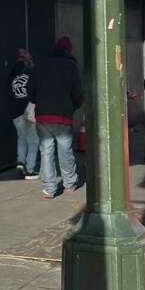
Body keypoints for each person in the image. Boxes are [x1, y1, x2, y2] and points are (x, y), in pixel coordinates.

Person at [29, 36, 83, 199]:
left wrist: (38, 101)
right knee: (65, 151)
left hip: (43, 115)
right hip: (63, 115)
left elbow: (31, 91)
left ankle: (49, 189)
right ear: (69, 50)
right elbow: (77, 93)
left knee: (46, 151)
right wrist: (73, 106)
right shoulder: (71, 66)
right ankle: (69, 183)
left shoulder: (40, 65)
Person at [6, 48, 39, 179]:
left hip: (15, 113)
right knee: (33, 141)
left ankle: (20, 162)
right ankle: (30, 170)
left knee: (21, 138)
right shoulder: (30, 76)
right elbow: (35, 93)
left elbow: (8, 95)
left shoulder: (10, 78)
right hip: (28, 111)